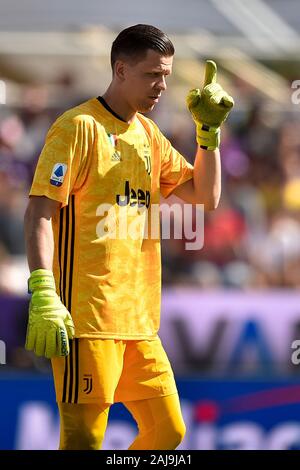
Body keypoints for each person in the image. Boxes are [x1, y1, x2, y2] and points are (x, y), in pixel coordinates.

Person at [24, 24, 233, 450]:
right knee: (85, 440)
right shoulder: (77, 127)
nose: (162, 86)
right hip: (87, 319)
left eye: (167, 76)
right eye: (153, 75)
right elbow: (39, 212)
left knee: (168, 431)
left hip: (140, 325)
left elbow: (206, 197)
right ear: (121, 69)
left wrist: (208, 136)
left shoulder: (148, 135)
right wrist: (43, 290)